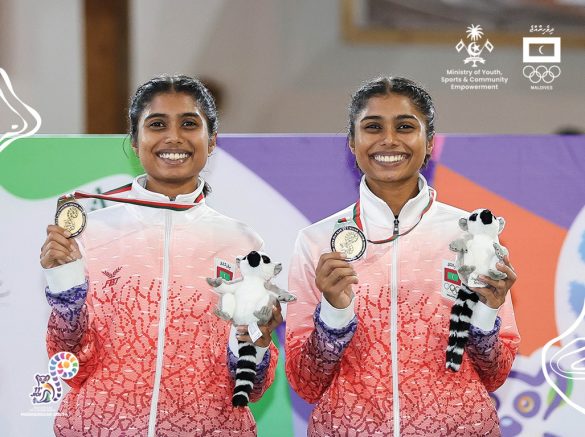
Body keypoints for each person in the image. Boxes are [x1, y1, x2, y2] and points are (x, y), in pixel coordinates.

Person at [39, 75, 281, 436]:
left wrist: (257, 340)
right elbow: (70, 360)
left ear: (211, 141)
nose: (173, 137)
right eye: (156, 124)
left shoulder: (242, 244)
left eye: (189, 123)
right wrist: (63, 287)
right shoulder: (91, 234)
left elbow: (250, 387)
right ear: (135, 142)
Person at [285, 76, 520, 436]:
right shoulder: (317, 242)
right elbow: (307, 383)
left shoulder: (472, 235)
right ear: (352, 142)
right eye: (372, 127)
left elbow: (495, 374)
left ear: (429, 143)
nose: (389, 140)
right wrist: (333, 312)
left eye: (406, 127)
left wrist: (487, 313)